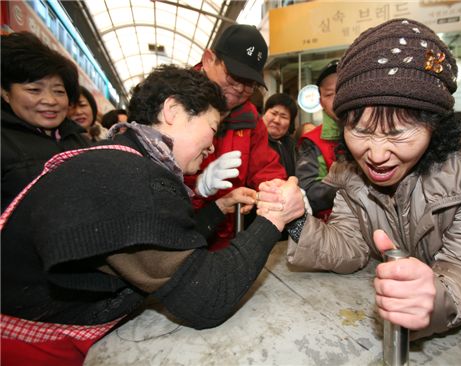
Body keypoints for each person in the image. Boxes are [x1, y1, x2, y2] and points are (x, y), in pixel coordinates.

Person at [260, 19, 461, 339]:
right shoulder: (350, 172)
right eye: (361, 131)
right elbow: (350, 246)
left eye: (398, 133)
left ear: (434, 125)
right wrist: (298, 218)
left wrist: (435, 296)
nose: (377, 154)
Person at [0, 65, 305, 365]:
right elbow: (210, 295)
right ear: (172, 110)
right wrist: (273, 218)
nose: (212, 147)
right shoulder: (133, 181)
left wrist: (217, 208)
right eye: (212, 129)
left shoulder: (117, 158)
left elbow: (163, 245)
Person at [189, 24, 287, 250]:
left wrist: (279, 190)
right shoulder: (177, 101)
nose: (240, 89)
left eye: (250, 82)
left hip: (226, 237)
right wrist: (197, 189)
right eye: (233, 77)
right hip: (176, 236)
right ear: (208, 59)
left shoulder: (249, 116)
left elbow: (265, 167)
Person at [1, 31, 90, 212]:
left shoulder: (79, 139)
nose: (50, 100)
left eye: (58, 91)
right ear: (5, 93)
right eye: (34, 90)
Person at [295, 60, 341, 221]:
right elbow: (309, 193)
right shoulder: (311, 142)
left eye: (342, 89)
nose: (337, 99)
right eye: (329, 94)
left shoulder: (375, 129)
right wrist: (349, 183)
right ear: (320, 101)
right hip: (331, 231)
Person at [263, 93, 298, 176]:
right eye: (273, 113)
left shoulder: (294, 147)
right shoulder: (252, 139)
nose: (277, 120)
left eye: (283, 117)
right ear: (264, 113)